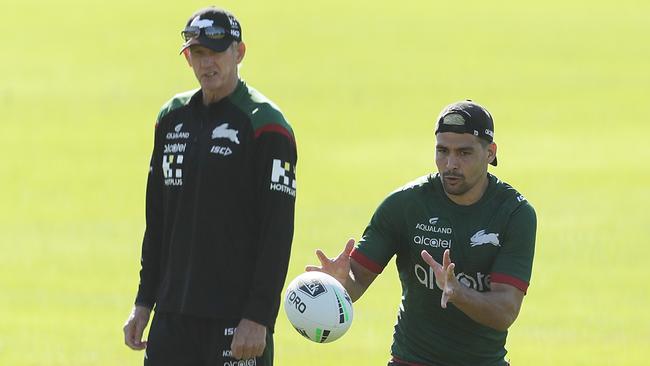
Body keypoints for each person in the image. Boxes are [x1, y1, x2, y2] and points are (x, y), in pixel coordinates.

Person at [122, 7, 297, 366]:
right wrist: (144, 301)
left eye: (216, 51)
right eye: (198, 53)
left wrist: (259, 316)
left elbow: (277, 231)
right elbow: (157, 220)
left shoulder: (266, 126)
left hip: (236, 321)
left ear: (239, 52)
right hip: (172, 317)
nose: (207, 63)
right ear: (188, 58)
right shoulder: (170, 119)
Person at [307, 100, 536, 366]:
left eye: (464, 153)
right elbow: (357, 280)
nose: (450, 164)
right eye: (442, 150)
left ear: (490, 152)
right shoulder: (405, 205)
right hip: (411, 360)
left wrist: (458, 292)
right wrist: (338, 283)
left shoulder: (514, 214)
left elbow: (504, 311)